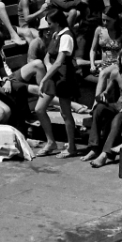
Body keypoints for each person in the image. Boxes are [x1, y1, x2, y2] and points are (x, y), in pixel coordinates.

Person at [36, 10, 80, 158]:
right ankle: (51, 142)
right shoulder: (57, 35)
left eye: (50, 23)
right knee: (39, 108)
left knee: (65, 112)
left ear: (57, 22)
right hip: (54, 75)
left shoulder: (66, 36)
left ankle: (71, 147)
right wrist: (49, 70)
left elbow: (60, 61)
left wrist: (44, 79)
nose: (48, 27)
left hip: (64, 77)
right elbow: (48, 57)